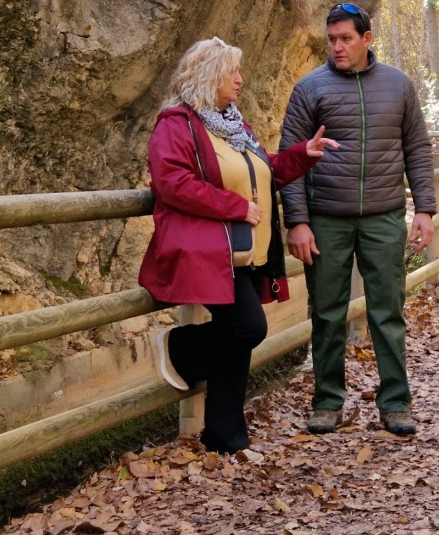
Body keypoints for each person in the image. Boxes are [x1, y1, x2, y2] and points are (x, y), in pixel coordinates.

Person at [139, 37, 338, 454]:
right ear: (209, 74)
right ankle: (179, 347)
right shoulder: (176, 124)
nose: (240, 79)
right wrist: (234, 206)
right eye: (233, 72)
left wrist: (303, 154)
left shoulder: (232, 124)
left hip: (246, 251)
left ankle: (225, 438)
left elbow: (262, 170)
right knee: (249, 328)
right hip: (210, 252)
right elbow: (171, 182)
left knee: (238, 339)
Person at [279, 3, 436, 436]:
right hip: (326, 218)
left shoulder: (398, 86)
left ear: (367, 39)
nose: (337, 46)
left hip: (384, 217)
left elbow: (418, 150)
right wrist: (297, 220)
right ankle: (327, 403)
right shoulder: (309, 89)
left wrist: (424, 210)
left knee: (388, 312)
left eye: (346, 38)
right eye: (331, 39)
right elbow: (289, 161)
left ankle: (396, 403)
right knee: (327, 314)